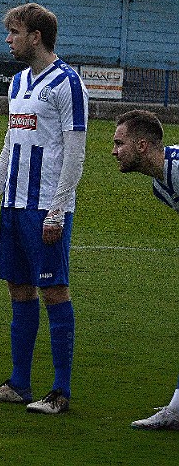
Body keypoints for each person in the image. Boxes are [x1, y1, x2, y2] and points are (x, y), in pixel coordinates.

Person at [0, 3, 87, 413]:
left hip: (45, 208)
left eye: (14, 32)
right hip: (15, 207)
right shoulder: (18, 82)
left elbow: (75, 152)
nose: (8, 40)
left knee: (54, 290)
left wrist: (58, 209)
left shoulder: (68, 83)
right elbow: (10, 143)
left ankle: (60, 391)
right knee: (18, 290)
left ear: (35, 36)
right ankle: (19, 384)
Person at [112, 109, 179, 430]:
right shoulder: (160, 186)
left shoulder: (176, 170)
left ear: (141, 146)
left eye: (119, 143)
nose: (113, 151)